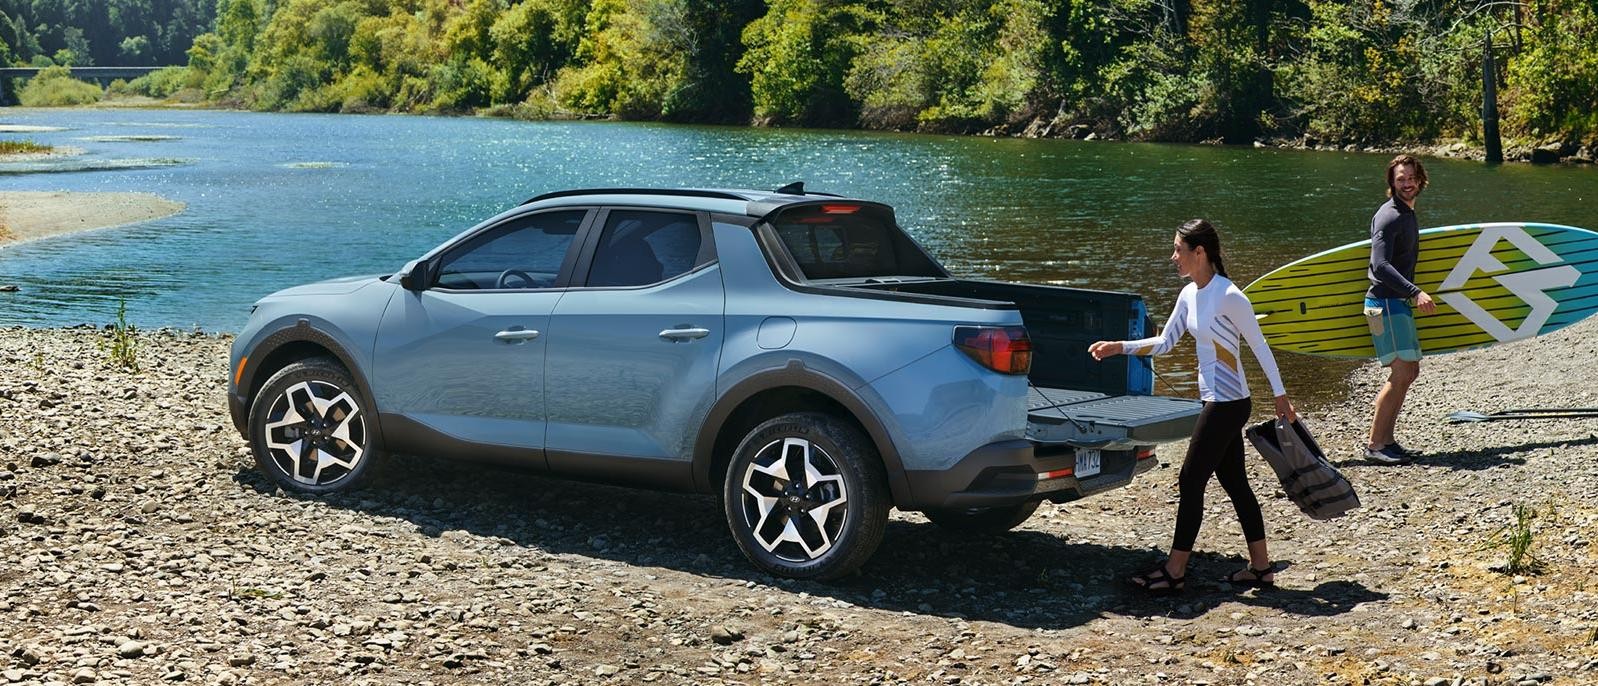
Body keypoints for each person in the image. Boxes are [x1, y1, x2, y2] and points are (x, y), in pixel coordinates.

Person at [1088, 219, 1296, 595]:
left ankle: (1175, 570)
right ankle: (1261, 568)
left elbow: (1260, 346)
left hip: (1229, 404)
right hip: (1213, 401)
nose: (1173, 258)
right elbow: (1166, 342)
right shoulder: (1189, 295)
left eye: (1178, 250)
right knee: (1235, 483)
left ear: (1200, 252)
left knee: (1189, 479)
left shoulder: (1230, 296)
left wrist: (1280, 396)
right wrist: (1119, 346)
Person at [1363, 155, 1435, 465]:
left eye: (1411, 177)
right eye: (1400, 179)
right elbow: (1380, 265)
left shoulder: (1406, 213)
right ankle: (1375, 445)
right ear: (1391, 183)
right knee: (1401, 372)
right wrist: (1415, 291)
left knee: (1408, 372)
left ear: (1420, 179)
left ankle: (1387, 441)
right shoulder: (1390, 216)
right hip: (1384, 304)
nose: (1406, 183)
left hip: (1394, 304)